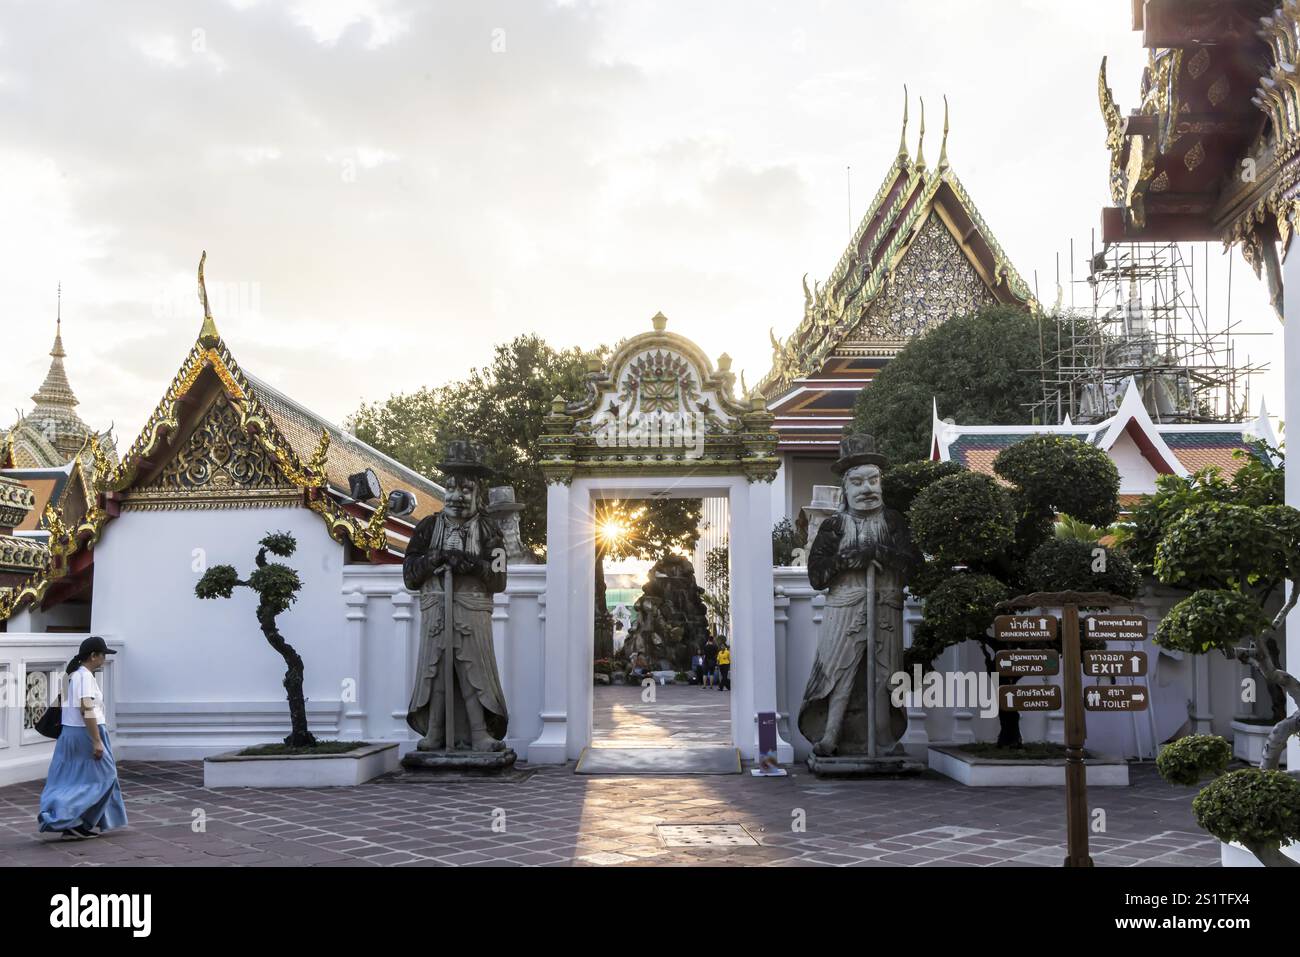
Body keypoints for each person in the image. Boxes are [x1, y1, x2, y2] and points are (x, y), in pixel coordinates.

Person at [37, 636, 128, 840]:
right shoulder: (84, 676)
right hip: (85, 733)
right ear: (93, 656)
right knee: (106, 776)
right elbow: (86, 708)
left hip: (71, 734)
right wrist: (96, 740)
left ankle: (74, 822)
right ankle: (66, 818)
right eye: (102, 655)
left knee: (72, 780)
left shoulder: (74, 675)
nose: (104, 659)